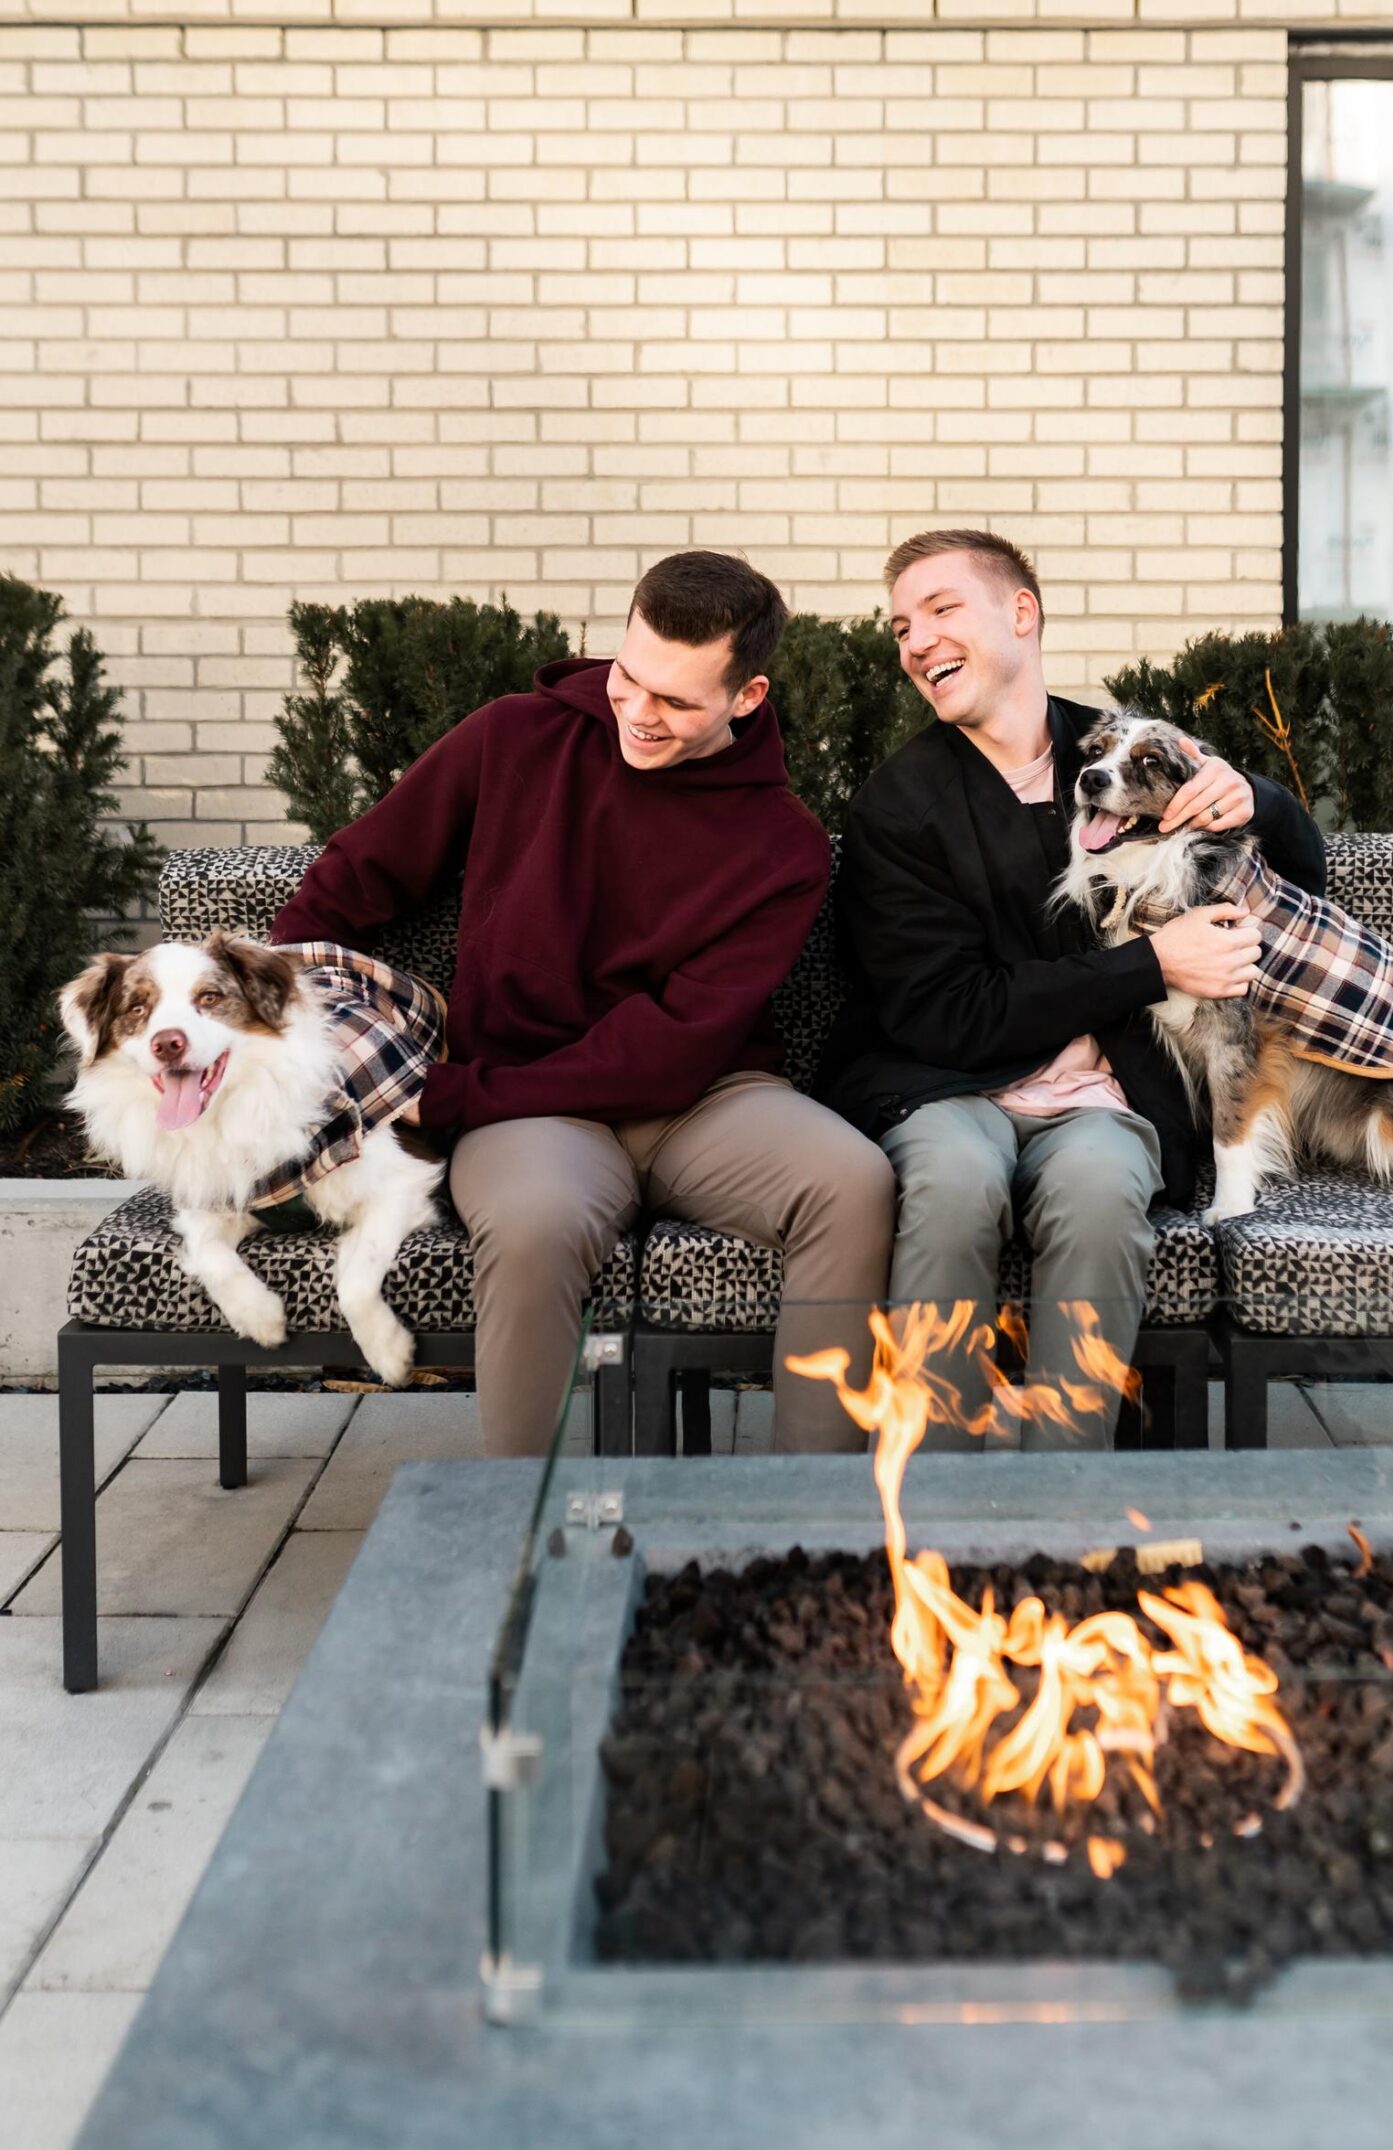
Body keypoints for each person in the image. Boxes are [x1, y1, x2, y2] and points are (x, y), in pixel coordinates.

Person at [269, 551, 895, 1455]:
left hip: (700, 1102)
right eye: (628, 679)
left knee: (852, 1180)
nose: (638, 714)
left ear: (747, 698)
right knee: (534, 1222)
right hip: (533, 1103)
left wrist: (454, 1099)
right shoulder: (513, 738)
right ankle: (527, 1530)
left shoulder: (780, 842)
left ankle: (804, 1518)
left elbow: (675, 1045)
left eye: (676, 702)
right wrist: (268, 991)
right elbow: (364, 871)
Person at [822, 527, 1326, 1448]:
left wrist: (1260, 798)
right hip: (946, 1082)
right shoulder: (898, 804)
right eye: (900, 627)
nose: (915, 641)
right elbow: (942, 1014)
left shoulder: (1124, 754)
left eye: (941, 610)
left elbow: (1298, 876)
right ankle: (930, 1494)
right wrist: (1151, 963)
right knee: (953, 1183)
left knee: (1100, 1188)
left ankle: (1062, 1501)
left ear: (1022, 613)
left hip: (1107, 1091)